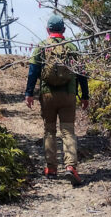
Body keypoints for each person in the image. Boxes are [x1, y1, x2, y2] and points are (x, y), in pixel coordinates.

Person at [25, 13, 89, 185]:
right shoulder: (72, 48)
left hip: (48, 96)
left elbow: (33, 72)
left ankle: (51, 167)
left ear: (48, 30)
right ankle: (70, 167)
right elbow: (82, 74)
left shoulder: (41, 47)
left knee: (49, 131)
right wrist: (85, 96)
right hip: (68, 95)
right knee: (68, 131)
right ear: (64, 30)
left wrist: (28, 93)